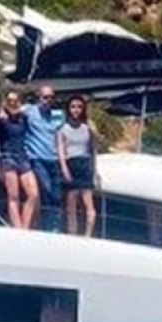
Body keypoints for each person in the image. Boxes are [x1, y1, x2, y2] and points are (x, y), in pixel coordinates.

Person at [0, 89, 38, 229]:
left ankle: (24, 225)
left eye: (15, 101)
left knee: (33, 194)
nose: (12, 103)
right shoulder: (1, 118)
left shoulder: (23, 117)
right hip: (8, 156)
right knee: (13, 196)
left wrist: (20, 110)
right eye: (9, 101)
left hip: (22, 156)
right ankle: (17, 227)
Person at [22, 84, 63, 232]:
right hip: (37, 159)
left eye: (51, 97)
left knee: (57, 197)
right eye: (45, 97)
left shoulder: (58, 115)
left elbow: (62, 136)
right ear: (38, 98)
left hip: (54, 160)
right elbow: (9, 110)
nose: (48, 100)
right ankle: (45, 228)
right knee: (46, 193)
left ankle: (54, 228)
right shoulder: (28, 111)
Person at [57, 94, 98, 238]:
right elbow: (61, 151)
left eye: (79, 107)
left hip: (85, 163)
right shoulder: (63, 129)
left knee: (88, 204)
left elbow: (93, 150)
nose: (76, 110)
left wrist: (94, 171)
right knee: (71, 205)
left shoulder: (88, 128)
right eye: (73, 107)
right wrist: (64, 169)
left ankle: (87, 235)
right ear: (68, 109)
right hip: (71, 163)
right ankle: (72, 235)